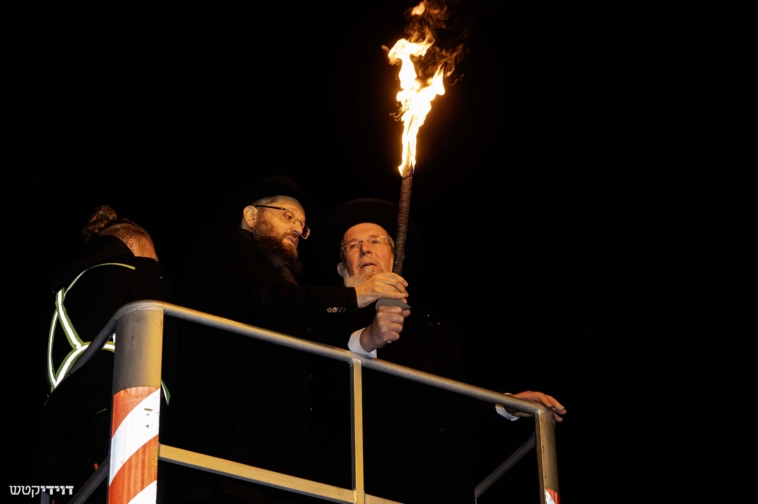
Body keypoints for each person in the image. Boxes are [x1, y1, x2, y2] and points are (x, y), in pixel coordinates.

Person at [170, 177, 409, 503]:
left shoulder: (286, 280)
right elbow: (264, 298)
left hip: (281, 456)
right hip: (227, 438)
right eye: (287, 215)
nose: (297, 227)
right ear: (251, 215)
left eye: (302, 224)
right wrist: (354, 296)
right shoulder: (225, 240)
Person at [313, 198, 566, 504]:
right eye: (353, 246)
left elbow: (455, 406)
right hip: (369, 487)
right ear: (342, 269)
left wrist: (507, 404)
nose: (365, 249)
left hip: (443, 489)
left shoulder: (435, 328)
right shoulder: (325, 317)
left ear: (396, 256)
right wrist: (366, 341)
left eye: (376, 241)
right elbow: (319, 389)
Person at [39, 205, 177, 504]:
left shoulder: (69, 285)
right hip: (120, 404)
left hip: (64, 418)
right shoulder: (133, 271)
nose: (155, 264)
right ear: (132, 244)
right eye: (152, 255)